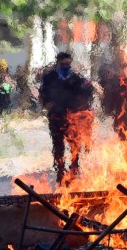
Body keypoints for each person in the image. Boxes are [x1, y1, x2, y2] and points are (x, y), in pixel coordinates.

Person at [39, 52, 95, 185]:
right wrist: (47, 103)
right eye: (63, 64)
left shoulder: (76, 78)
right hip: (56, 116)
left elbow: (86, 93)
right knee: (58, 145)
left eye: (68, 64)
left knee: (75, 145)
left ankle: (74, 169)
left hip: (72, 117)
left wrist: (83, 108)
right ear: (58, 63)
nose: (65, 67)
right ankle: (60, 170)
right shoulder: (50, 78)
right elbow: (43, 93)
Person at [98, 63, 127, 141]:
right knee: (122, 136)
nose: (126, 71)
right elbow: (110, 98)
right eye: (125, 69)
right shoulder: (115, 83)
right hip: (120, 114)